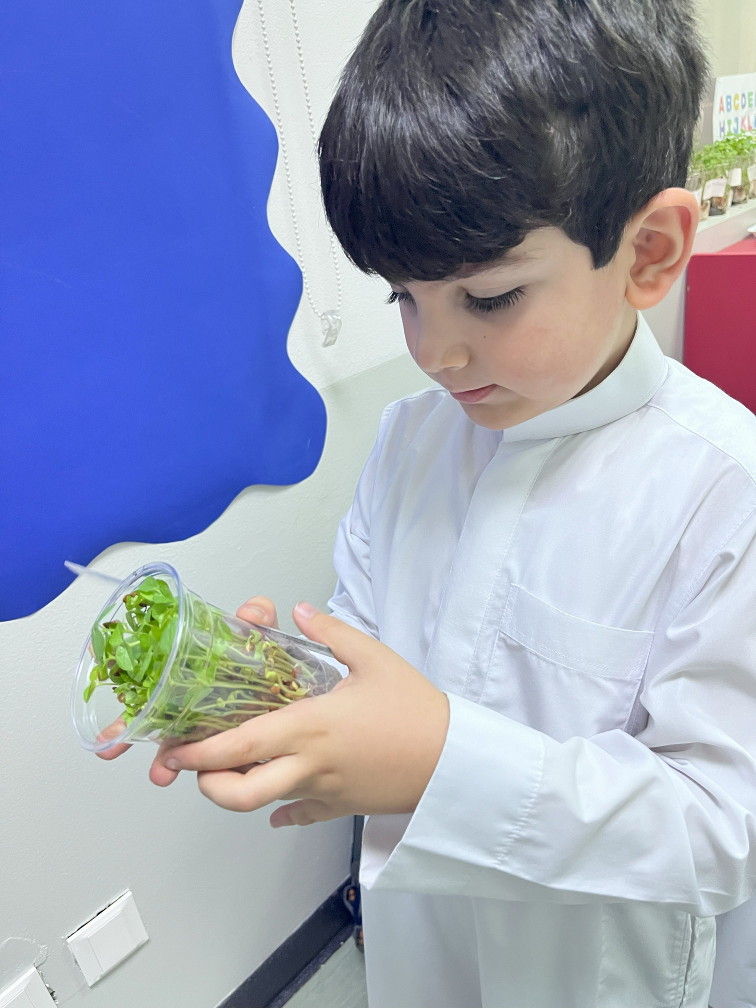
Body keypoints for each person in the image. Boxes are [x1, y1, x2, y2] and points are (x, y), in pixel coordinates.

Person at [100, 2, 756, 1005]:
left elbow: (718, 830)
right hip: (422, 955)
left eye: (489, 298)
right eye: (401, 296)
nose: (434, 351)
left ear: (651, 252)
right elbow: (368, 652)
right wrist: (271, 684)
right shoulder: (413, 439)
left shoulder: (724, 492)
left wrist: (444, 764)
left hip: (595, 973)